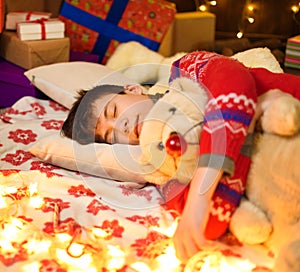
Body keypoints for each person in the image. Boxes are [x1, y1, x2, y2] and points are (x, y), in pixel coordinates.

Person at [62, 51, 300, 262]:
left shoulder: (185, 72)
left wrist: (200, 196)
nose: (121, 126)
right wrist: (250, 121)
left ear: (133, 89)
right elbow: (208, 224)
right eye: (112, 136)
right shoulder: (161, 166)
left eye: (113, 111)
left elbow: (234, 81)